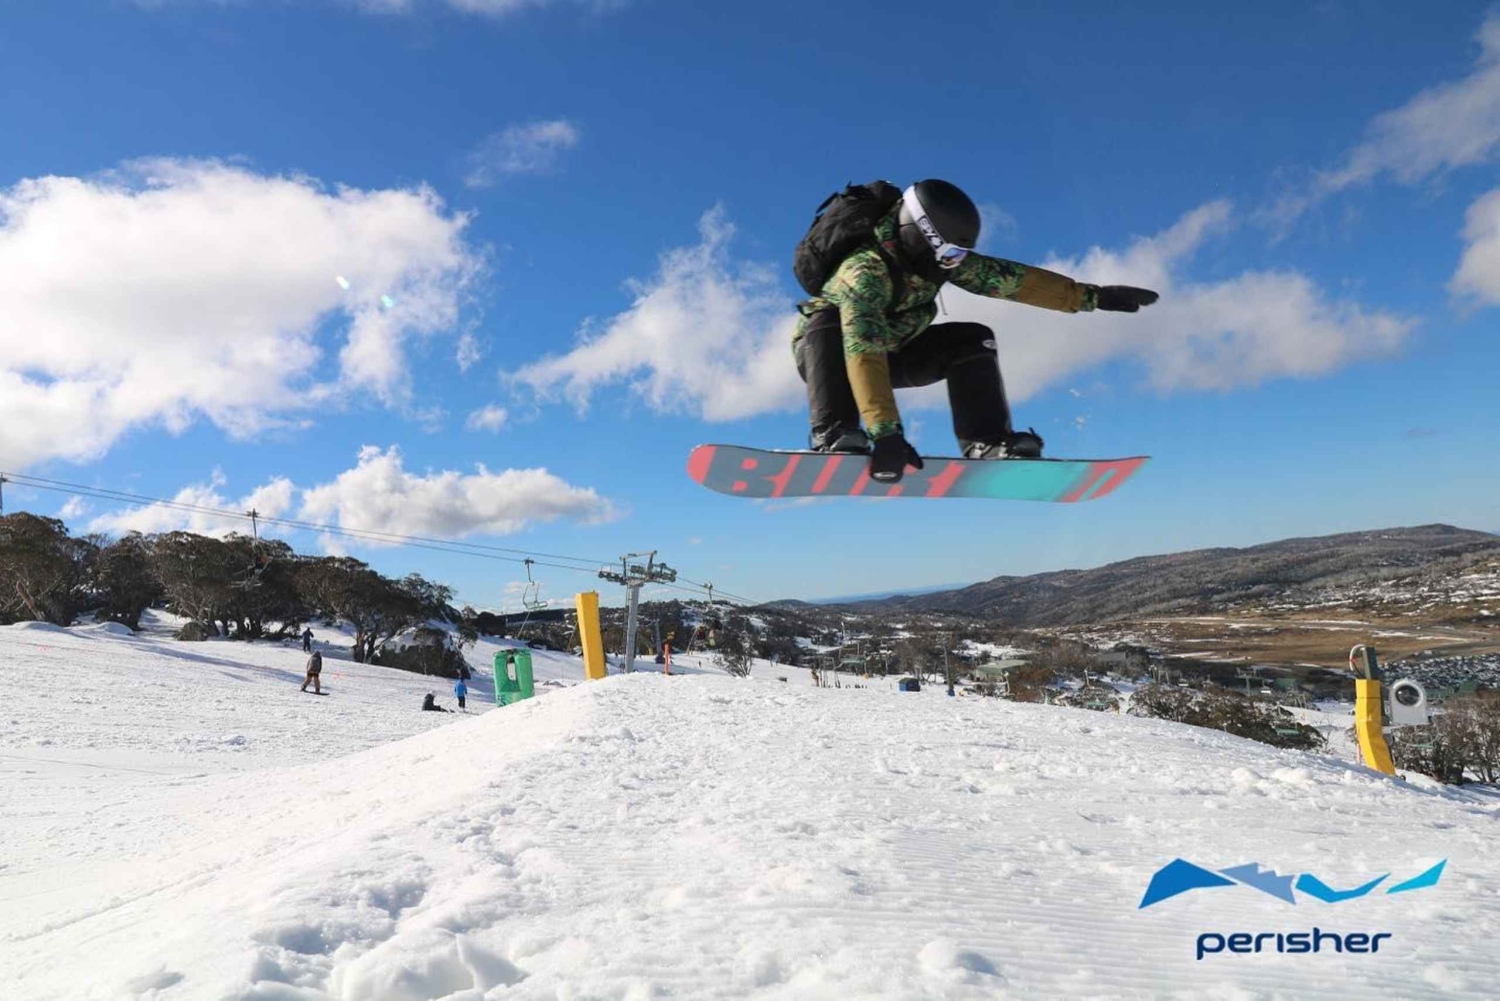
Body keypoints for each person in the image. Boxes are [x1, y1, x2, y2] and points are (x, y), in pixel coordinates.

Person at [794, 179, 1159, 482]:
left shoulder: (937, 261)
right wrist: (886, 432)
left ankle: (987, 441)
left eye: (957, 256)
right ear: (917, 234)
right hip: (832, 357)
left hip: (893, 353)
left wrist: (1092, 297)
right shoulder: (865, 271)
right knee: (826, 320)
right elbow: (863, 347)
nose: (951, 263)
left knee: (971, 338)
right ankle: (834, 432)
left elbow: (1012, 280)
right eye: (948, 253)